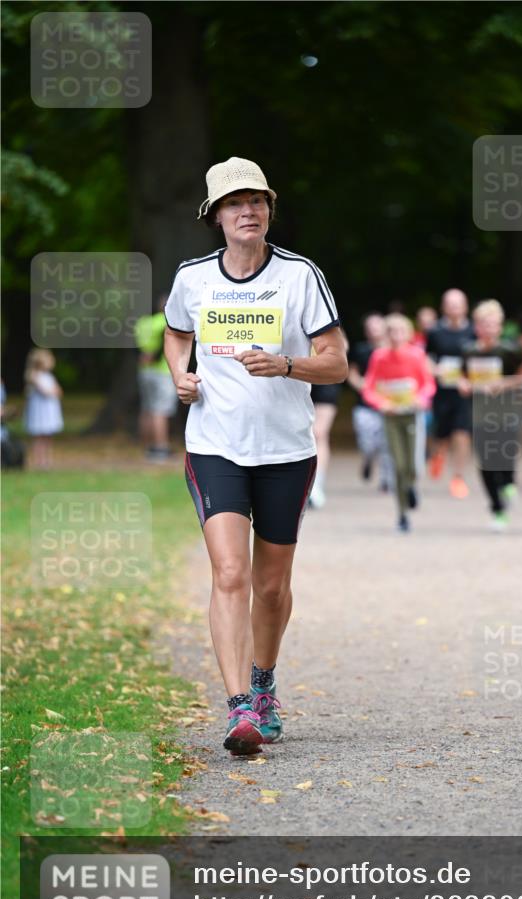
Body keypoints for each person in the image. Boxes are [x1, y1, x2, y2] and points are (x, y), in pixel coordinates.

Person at [163, 157, 348, 756]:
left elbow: (337, 361)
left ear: (269, 210)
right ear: (216, 216)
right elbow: (175, 332)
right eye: (236, 203)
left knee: (271, 586)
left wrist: (288, 364)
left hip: (286, 449)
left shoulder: (300, 276)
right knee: (230, 573)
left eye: (258, 201)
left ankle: (265, 683)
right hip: (214, 444)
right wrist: (179, 375)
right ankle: (239, 705)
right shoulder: (193, 277)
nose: (249, 211)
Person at [362, 313, 435, 531]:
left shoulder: (416, 356)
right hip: (391, 417)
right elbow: (369, 387)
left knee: (412, 465)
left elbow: (428, 384)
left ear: (408, 334)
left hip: (412, 415)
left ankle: (411, 485)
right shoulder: (379, 357)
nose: (396, 336)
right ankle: (402, 514)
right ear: (386, 335)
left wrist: (420, 399)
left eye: (401, 331)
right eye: (392, 332)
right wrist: (381, 403)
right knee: (398, 464)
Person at [459, 300, 522, 532]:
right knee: (486, 460)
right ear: (476, 326)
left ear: (500, 326)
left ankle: (509, 483)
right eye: (484, 324)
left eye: (493, 324)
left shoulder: (510, 349)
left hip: (506, 409)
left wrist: (502, 384)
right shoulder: (468, 349)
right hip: (479, 410)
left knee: (505, 451)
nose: (488, 328)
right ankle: (497, 509)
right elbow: (461, 376)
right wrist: (464, 384)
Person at [425, 288, 474, 496]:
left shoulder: (474, 331)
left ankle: (458, 478)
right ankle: (437, 455)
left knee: (462, 433)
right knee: (441, 434)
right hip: (443, 390)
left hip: (465, 392)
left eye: (458, 303)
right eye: (450, 304)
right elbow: (426, 357)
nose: (454, 308)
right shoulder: (435, 332)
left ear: (465, 306)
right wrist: (434, 370)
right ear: (443, 307)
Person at [347, 312, 393, 488]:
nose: (374, 330)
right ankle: (368, 458)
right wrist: (365, 387)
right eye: (370, 327)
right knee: (368, 443)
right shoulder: (360, 350)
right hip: (365, 405)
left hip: (387, 405)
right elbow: (352, 374)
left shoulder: (392, 351)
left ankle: (387, 479)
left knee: (388, 444)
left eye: (377, 326)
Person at [308, 328, 349, 509]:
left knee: (319, 432)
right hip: (297, 378)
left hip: (324, 380)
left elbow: (342, 347)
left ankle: (317, 485)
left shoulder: (323, 318)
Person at [135, 295, 179, 462]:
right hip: (162, 371)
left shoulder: (143, 323)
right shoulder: (165, 322)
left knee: (147, 409)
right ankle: (161, 448)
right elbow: (163, 342)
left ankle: (147, 447)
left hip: (144, 371)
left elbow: (139, 347)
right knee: (160, 410)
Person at [23, 348, 63, 469]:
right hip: (40, 412)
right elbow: (45, 391)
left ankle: (47, 460)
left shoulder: (49, 376)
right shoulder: (34, 376)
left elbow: (58, 391)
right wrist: (52, 392)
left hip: (49, 410)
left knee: (47, 437)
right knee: (39, 437)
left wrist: (53, 392)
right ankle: (38, 461)